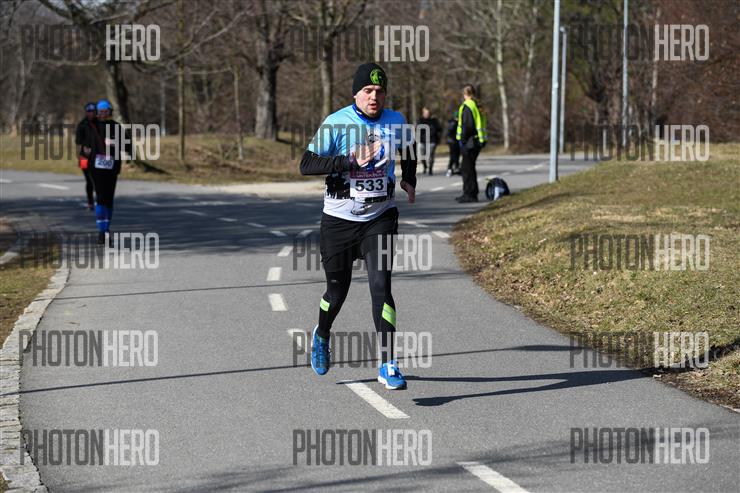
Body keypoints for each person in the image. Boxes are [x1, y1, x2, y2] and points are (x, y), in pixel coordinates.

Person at [299, 62, 417, 390]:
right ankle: (322, 334)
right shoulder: (336, 123)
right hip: (339, 222)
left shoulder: (396, 121)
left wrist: (409, 177)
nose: (374, 97)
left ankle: (388, 364)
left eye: (379, 91)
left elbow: (409, 148)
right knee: (336, 292)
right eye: (367, 91)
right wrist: (349, 160)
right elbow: (306, 164)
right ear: (356, 93)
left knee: (381, 287)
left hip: (380, 218)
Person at [89, 99, 126, 244]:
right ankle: (102, 231)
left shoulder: (117, 127)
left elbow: (126, 146)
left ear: (110, 112)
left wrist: (115, 144)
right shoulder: (91, 127)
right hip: (96, 168)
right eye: (101, 111)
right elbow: (85, 146)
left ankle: (106, 229)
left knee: (109, 200)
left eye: (106, 111)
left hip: (112, 167)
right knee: (101, 198)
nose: (104, 113)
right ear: (97, 113)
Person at [455, 85, 487, 202]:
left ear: (465, 94)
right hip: (476, 141)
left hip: (469, 142)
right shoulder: (477, 105)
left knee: (467, 169)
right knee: (469, 168)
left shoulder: (468, 106)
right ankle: (470, 193)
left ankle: (470, 194)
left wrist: (462, 140)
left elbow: (468, 126)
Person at [75, 102, 97, 210]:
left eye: (93, 111)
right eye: (89, 111)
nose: (91, 114)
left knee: (97, 179)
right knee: (89, 180)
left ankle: (101, 200)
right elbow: (78, 142)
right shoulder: (82, 125)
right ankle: (90, 202)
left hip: (97, 156)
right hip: (84, 157)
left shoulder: (100, 123)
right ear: (86, 112)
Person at [416, 107, 441, 175]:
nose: (427, 114)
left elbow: (439, 129)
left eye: (428, 113)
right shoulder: (420, 120)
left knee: (430, 155)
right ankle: (425, 166)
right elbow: (418, 129)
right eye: (426, 113)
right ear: (423, 113)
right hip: (422, 140)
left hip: (432, 140)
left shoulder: (434, 120)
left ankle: (430, 169)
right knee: (422, 155)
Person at [445, 110, 460, 177]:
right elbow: (450, 131)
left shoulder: (456, 122)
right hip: (452, 141)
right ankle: (450, 168)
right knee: (453, 155)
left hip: (456, 141)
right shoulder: (453, 123)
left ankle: (456, 167)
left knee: (456, 155)